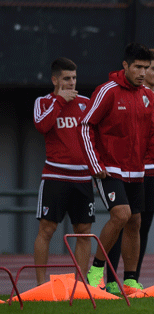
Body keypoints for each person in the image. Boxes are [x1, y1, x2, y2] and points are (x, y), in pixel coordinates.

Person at [79, 42, 154, 295]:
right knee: (121, 215)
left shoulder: (148, 96)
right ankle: (96, 271)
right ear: (125, 66)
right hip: (109, 169)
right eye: (138, 67)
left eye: (146, 68)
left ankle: (129, 280)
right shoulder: (107, 91)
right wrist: (95, 164)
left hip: (137, 171)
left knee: (135, 222)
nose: (142, 72)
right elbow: (86, 126)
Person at [105, 48, 154, 294]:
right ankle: (110, 279)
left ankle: (133, 279)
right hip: (125, 169)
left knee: (141, 226)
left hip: (149, 173)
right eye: (151, 68)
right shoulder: (117, 93)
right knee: (120, 221)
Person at [32, 57, 95, 286]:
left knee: (84, 231)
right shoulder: (44, 102)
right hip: (55, 176)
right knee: (47, 229)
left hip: (83, 177)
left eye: (74, 78)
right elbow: (42, 126)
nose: (71, 83)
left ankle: (80, 286)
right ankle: (40, 285)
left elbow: (94, 137)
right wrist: (59, 101)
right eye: (66, 78)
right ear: (55, 80)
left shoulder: (86, 103)